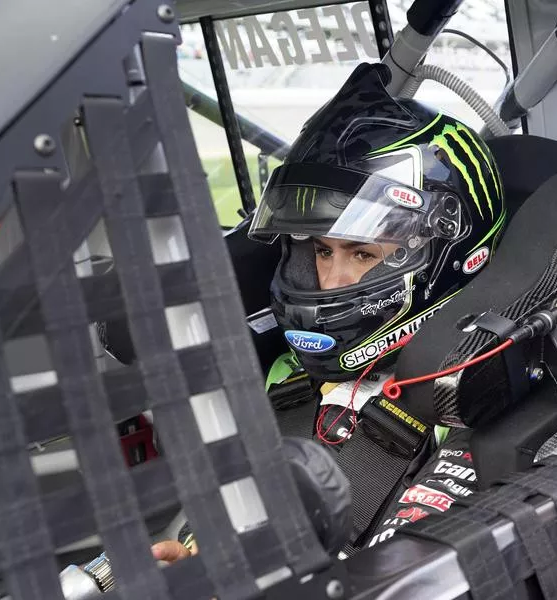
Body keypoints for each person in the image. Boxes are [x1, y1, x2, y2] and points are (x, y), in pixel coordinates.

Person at [151, 61, 506, 562]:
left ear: (444, 256)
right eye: (321, 251)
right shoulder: (283, 374)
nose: (330, 281)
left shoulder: (467, 397)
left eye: (362, 254)